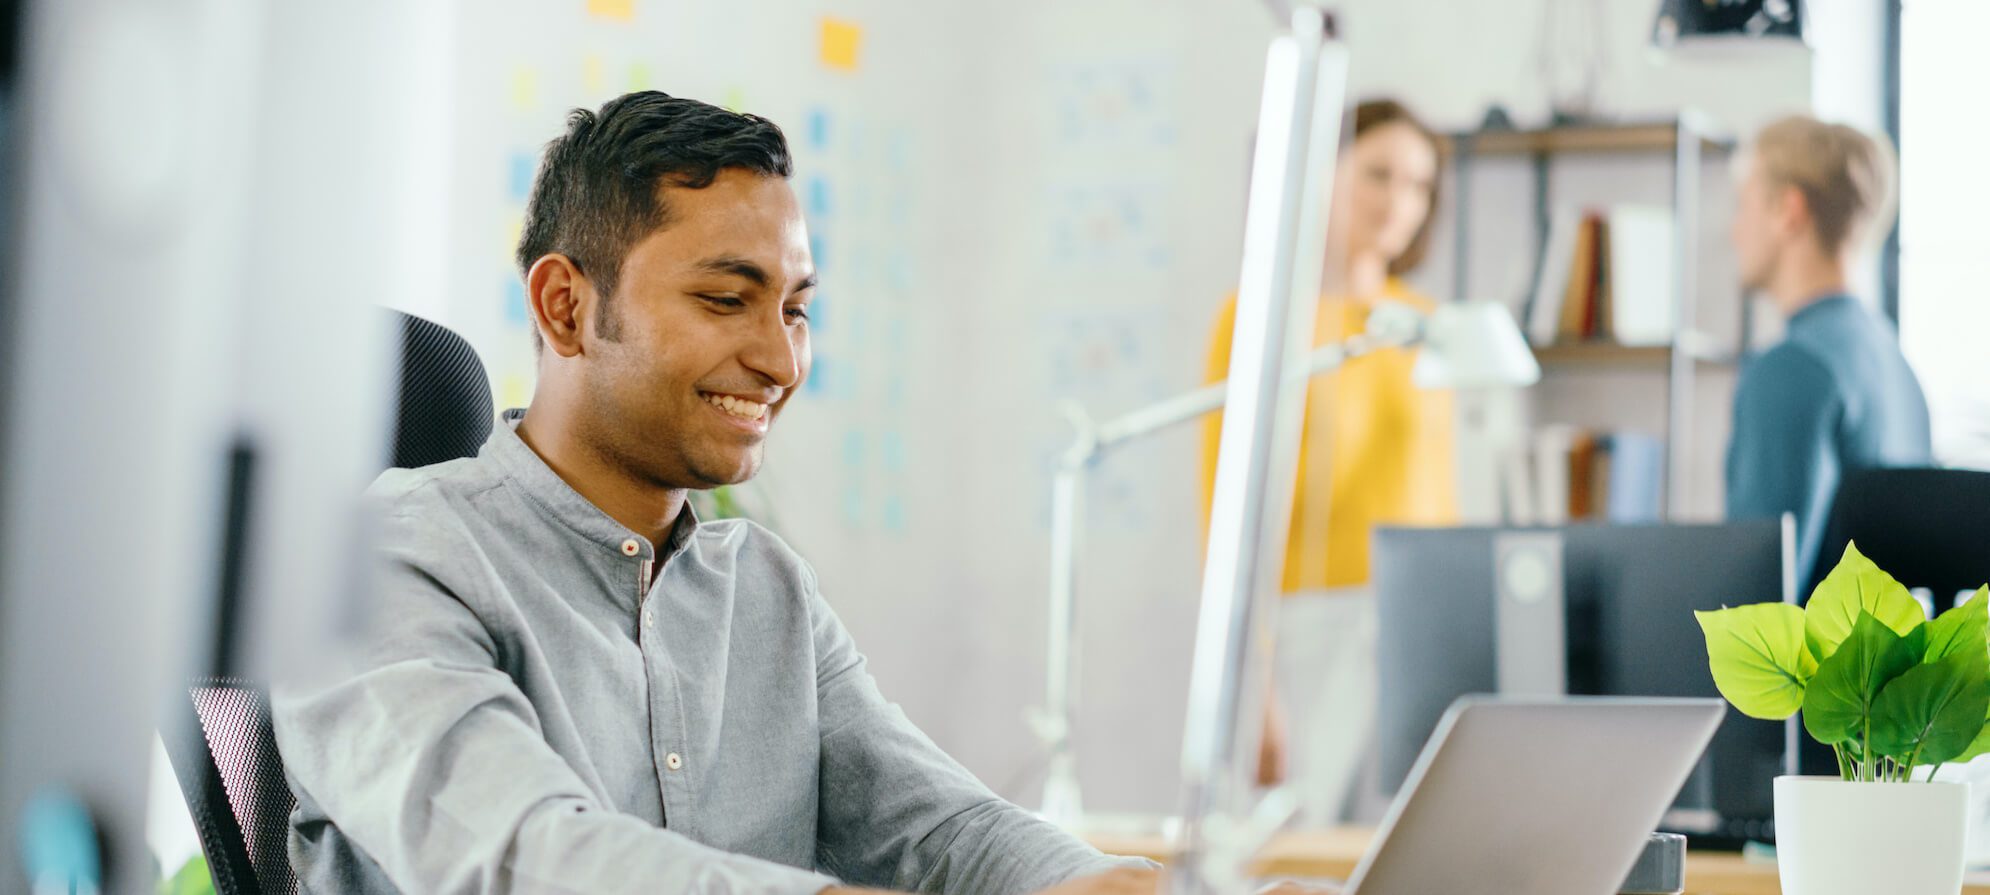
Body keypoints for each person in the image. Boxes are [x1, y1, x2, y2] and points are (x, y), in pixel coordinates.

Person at [271, 92, 1157, 895]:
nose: (780, 360)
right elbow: (524, 857)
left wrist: (1108, 885)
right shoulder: (382, 560)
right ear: (565, 307)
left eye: (795, 309)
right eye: (728, 299)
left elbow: (942, 828)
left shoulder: (767, 590)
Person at [1199, 99, 1457, 825]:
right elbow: (1226, 515)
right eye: (1379, 174)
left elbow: (1443, 496)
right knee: (1294, 845)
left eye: (1419, 185)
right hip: (1308, 630)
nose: (1399, 201)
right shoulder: (1260, 318)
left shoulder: (1426, 323)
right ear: (1323, 171)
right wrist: (1257, 681)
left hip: (1418, 628)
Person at [1724, 114, 1931, 589]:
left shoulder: (1791, 370)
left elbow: (1756, 600)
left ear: (1788, 211)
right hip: (1896, 663)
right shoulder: (1897, 366)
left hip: (1816, 665)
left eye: (1744, 206)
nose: (1735, 230)